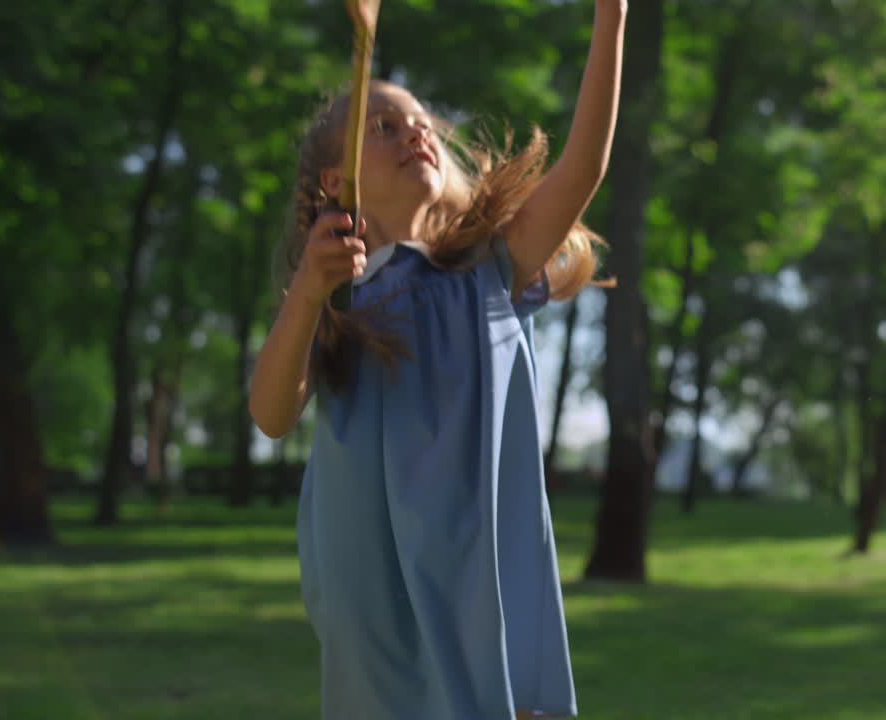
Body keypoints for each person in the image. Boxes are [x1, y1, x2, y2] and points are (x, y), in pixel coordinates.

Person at [248, 2, 625, 717]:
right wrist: (308, 293)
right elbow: (270, 414)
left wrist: (612, 20)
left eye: (421, 123)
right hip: (375, 592)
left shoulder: (491, 269)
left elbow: (583, 168)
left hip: (477, 578)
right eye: (383, 126)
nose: (415, 132)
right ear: (335, 182)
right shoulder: (338, 297)